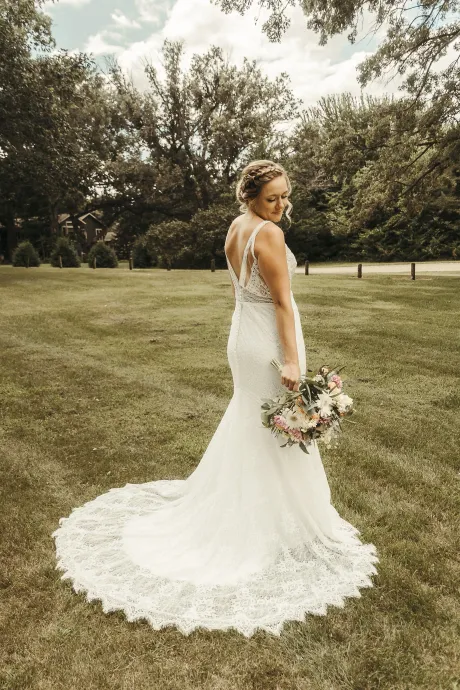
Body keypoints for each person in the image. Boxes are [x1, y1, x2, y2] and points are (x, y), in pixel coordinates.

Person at [52, 160, 379, 637]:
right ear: (251, 197)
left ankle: (259, 509)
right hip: (268, 339)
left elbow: (243, 291)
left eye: (286, 196)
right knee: (278, 422)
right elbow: (284, 302)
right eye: (273, 198)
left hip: (243, 333)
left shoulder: (237, 227)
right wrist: (291, 361)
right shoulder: (268, 234)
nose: (282, 205)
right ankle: (263, 524)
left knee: (256, 421)